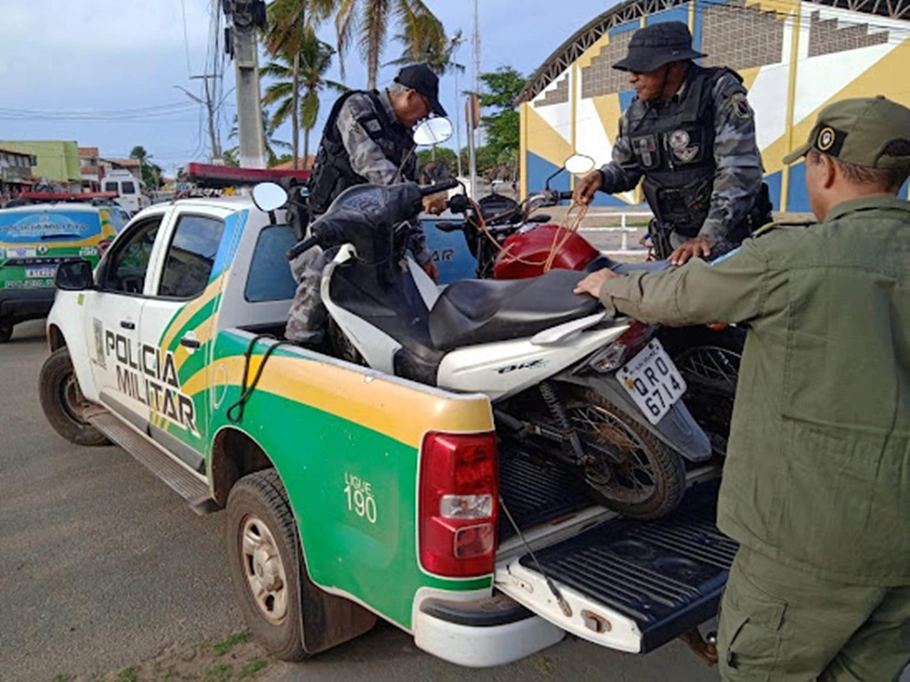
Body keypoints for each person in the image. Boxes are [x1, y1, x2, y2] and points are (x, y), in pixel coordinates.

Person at [574, 96, 910, 680]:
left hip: (807, 543)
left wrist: (611, 285)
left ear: (824, 167)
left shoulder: (792, 257)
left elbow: (682, 297)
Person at [573, 21, 771, 265]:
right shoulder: (635, 114)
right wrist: (601, 177)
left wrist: (709, 236)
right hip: (674, 244)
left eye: (642, 69)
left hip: (730, 243)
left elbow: (738, 170)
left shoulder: (719, 93)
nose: (632, 79)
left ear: (674, 66)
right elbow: (626, 168)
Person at [287, 63, 448, 345]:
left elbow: (407, 207)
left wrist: (422, 255)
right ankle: (298, 349)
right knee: (317, 274)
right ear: (410, 95)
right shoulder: (357, 106)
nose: (426, 117)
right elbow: (369, 163)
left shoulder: (405, 139)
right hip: (334, 221)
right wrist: (417, 194)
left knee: (401, 291)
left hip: (376, 234)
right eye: (427, 107)